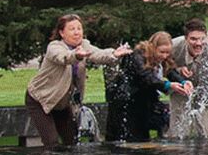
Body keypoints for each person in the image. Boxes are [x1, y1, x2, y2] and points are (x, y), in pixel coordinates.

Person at [25, 14, 132, 147]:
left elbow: (98, 54)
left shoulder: (84, 45)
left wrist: (113, 54)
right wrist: (76, 55)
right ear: (62, 33)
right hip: (40, 99)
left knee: (72, 142)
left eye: (79, 28)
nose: (77, 32)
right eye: (72, 29)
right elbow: (64, 58)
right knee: (51, 142)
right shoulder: (54, 47)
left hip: (62, 102)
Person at [106, 32, 193, 142]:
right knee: (128, 137)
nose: (165, 56)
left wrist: (183, 82)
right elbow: (146, 77)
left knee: (148, 131)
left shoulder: (162, 59)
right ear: (153, 47)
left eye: (167, 52)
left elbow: (171, 72)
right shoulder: (137, 56)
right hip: (127, 101)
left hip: (145, 102)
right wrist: (167, 85)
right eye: (162, 52)